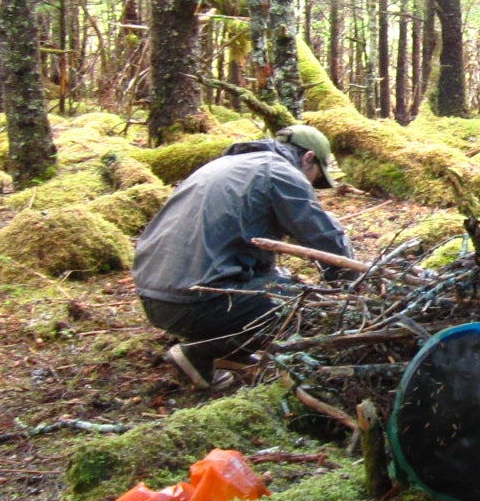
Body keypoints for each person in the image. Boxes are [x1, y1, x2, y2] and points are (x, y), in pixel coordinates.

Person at [133, 124, 353, 391]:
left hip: (155, 296)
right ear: (308, 158)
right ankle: (200, 352)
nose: (312, 187)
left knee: (279, 283)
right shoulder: (279, 171)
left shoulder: (227, 165)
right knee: (308, 304)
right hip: (195, 301)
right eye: (315, 179)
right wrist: (349, 289)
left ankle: (231, 351)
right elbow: (326, 239)